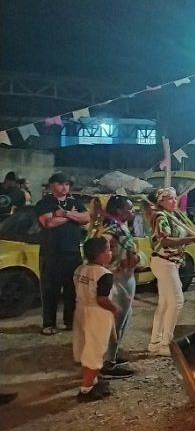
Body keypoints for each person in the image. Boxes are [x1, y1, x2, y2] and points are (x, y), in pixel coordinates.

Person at [148, 187, 195, 356]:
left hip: (169, 262)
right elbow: (165, 241)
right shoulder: (160, 216)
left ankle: (155, 341)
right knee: (176, 301)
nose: (174, 201)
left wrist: (192, 240)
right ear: (160, 202)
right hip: (165, 262)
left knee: (165, 303)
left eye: (175, 198)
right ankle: (166, 343)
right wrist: (191, 239)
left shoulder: (171, 216)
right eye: (170, 199)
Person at [89, 195, 138, 379]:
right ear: (119, 211)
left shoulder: (116, 226)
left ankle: (112, 355)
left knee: (122, 318)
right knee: (114, 321)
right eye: (130, 208)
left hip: (123, 277)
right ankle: (107, 363)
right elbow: (99, 252)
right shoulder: (112, 229)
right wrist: (113, 267)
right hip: (118, 278)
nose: (133, 212)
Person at [36, 172, 90, 335]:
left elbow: (86, 217)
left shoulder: (75, 202)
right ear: (52, 185)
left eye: (67, 184)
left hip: (72, 253)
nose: (64, 187)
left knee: (72, 290)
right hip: (52, 253)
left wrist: (64, 214)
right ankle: (49, 324)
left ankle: (69, 321)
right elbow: (48, 222)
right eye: (61, 184)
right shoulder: (45, 203)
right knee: (50, 290)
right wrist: (72, 216)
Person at [71, 237, 118, 402]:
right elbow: (102, 299)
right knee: (95, 351)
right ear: (101, 254)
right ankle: (86, 389)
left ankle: (93, 381)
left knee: (86, 347)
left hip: (81, 310)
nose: (111, 252)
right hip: (97, 314)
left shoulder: (80, 269)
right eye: (108, 249)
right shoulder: (104, 275)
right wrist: (115, 308)